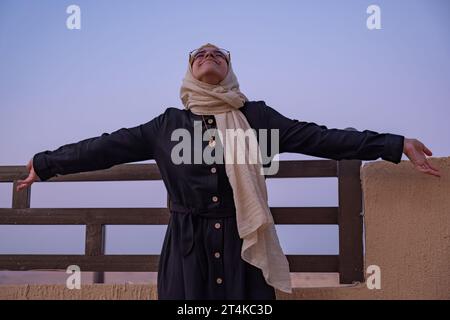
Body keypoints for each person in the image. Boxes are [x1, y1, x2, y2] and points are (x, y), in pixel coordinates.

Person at [16, 43, 441, 300]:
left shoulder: (257, 116)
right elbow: (105, 147)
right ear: (189, 71)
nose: (208, 56)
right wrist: (46, 163)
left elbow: (321, 137)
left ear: (230, 69)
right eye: (199, 54)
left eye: (218, 53)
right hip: (187, 247)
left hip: (245, 241)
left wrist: (393, 144)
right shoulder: (167, 125)